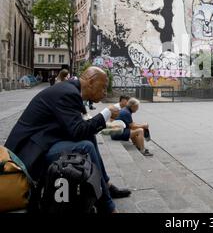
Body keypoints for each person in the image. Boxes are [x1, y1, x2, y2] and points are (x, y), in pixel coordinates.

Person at [4, 67, 130, 213]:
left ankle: (105, 184)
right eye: (102, 87)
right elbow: (77, 131)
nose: (105, 92)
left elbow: (77, 128)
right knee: (86, 146)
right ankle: (107, 207)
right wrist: (106, 113)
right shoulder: (68, 93)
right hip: (28, 154)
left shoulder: (70, 90)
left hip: (44, 141)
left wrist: (99, 121)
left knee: (88, 136)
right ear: (90, 82)